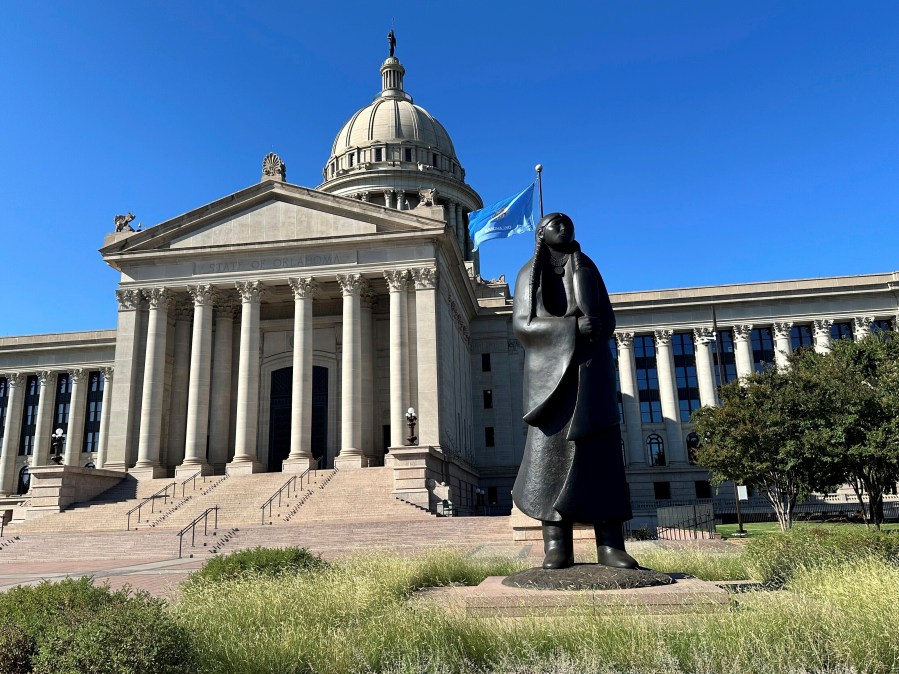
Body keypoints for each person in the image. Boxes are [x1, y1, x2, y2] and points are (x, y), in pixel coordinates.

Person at [511, 212, 637, 569]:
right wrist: (571, 329)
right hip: (551, 384)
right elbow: (523, 326)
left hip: (591, 372)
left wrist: (594, 328)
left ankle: (611, 544)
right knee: (548, 459)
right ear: (541, 233)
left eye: (568, 223)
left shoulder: (588, 268)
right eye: (556, 223)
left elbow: (608, 317)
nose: (565, 228)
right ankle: (556, 544)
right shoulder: (527, 275)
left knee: (601, 456)